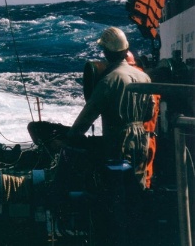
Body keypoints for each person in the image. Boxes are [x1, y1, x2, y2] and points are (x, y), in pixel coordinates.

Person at [65, 27, 153, 189]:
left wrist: (71, 136)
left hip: (118, 142)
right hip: (141, 141)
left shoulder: (108, 81)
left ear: (107, 52)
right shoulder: (144, 77)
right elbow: (149, 114)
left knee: (117, 188)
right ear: (126, 49)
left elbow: (87, 116)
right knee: (137, 187)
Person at [126, 51, 160, 189]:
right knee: (145, 178)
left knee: (128, 180)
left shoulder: (130, 81)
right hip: (149, 138)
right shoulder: (149, 82)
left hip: (134, 139)